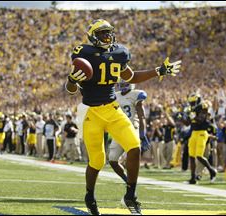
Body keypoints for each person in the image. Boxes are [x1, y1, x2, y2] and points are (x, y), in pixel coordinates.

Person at [65, 19, 181, 215]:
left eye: (108, 32)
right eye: (102, 33)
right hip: (91, 113)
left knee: (134, 147)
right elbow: (71, 90)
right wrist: (71, 80)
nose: (107, 36)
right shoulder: (83, 54)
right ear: (93, 36)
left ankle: (130, 195)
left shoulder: (118, 53)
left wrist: (158, 71)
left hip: (112, 109)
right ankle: (89, 195)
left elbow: (132, 77)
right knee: (97, 161)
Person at [108, 81, 150, 183]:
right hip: (118, 131)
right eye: (121, 83)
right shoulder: (114, 96)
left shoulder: (136, 94)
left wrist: (142, 134)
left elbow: (142, 117)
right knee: (112, 160)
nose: (122, 85)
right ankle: (127, 180)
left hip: (132, 128)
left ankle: (132, 185)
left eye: (125, 83)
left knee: (132, 157)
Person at [186, 93, 217, 184]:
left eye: (193, 102)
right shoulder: (193, 109)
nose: (192, 104)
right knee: (191, 156)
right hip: (194, 133)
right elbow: (188, 123)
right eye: (191, 103)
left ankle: (212, 171)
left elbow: (202, 119)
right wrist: (182, 117)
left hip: (202, 133)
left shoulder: (203, 106)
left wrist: (193, 115)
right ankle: (193, 178)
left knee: (199, 156)